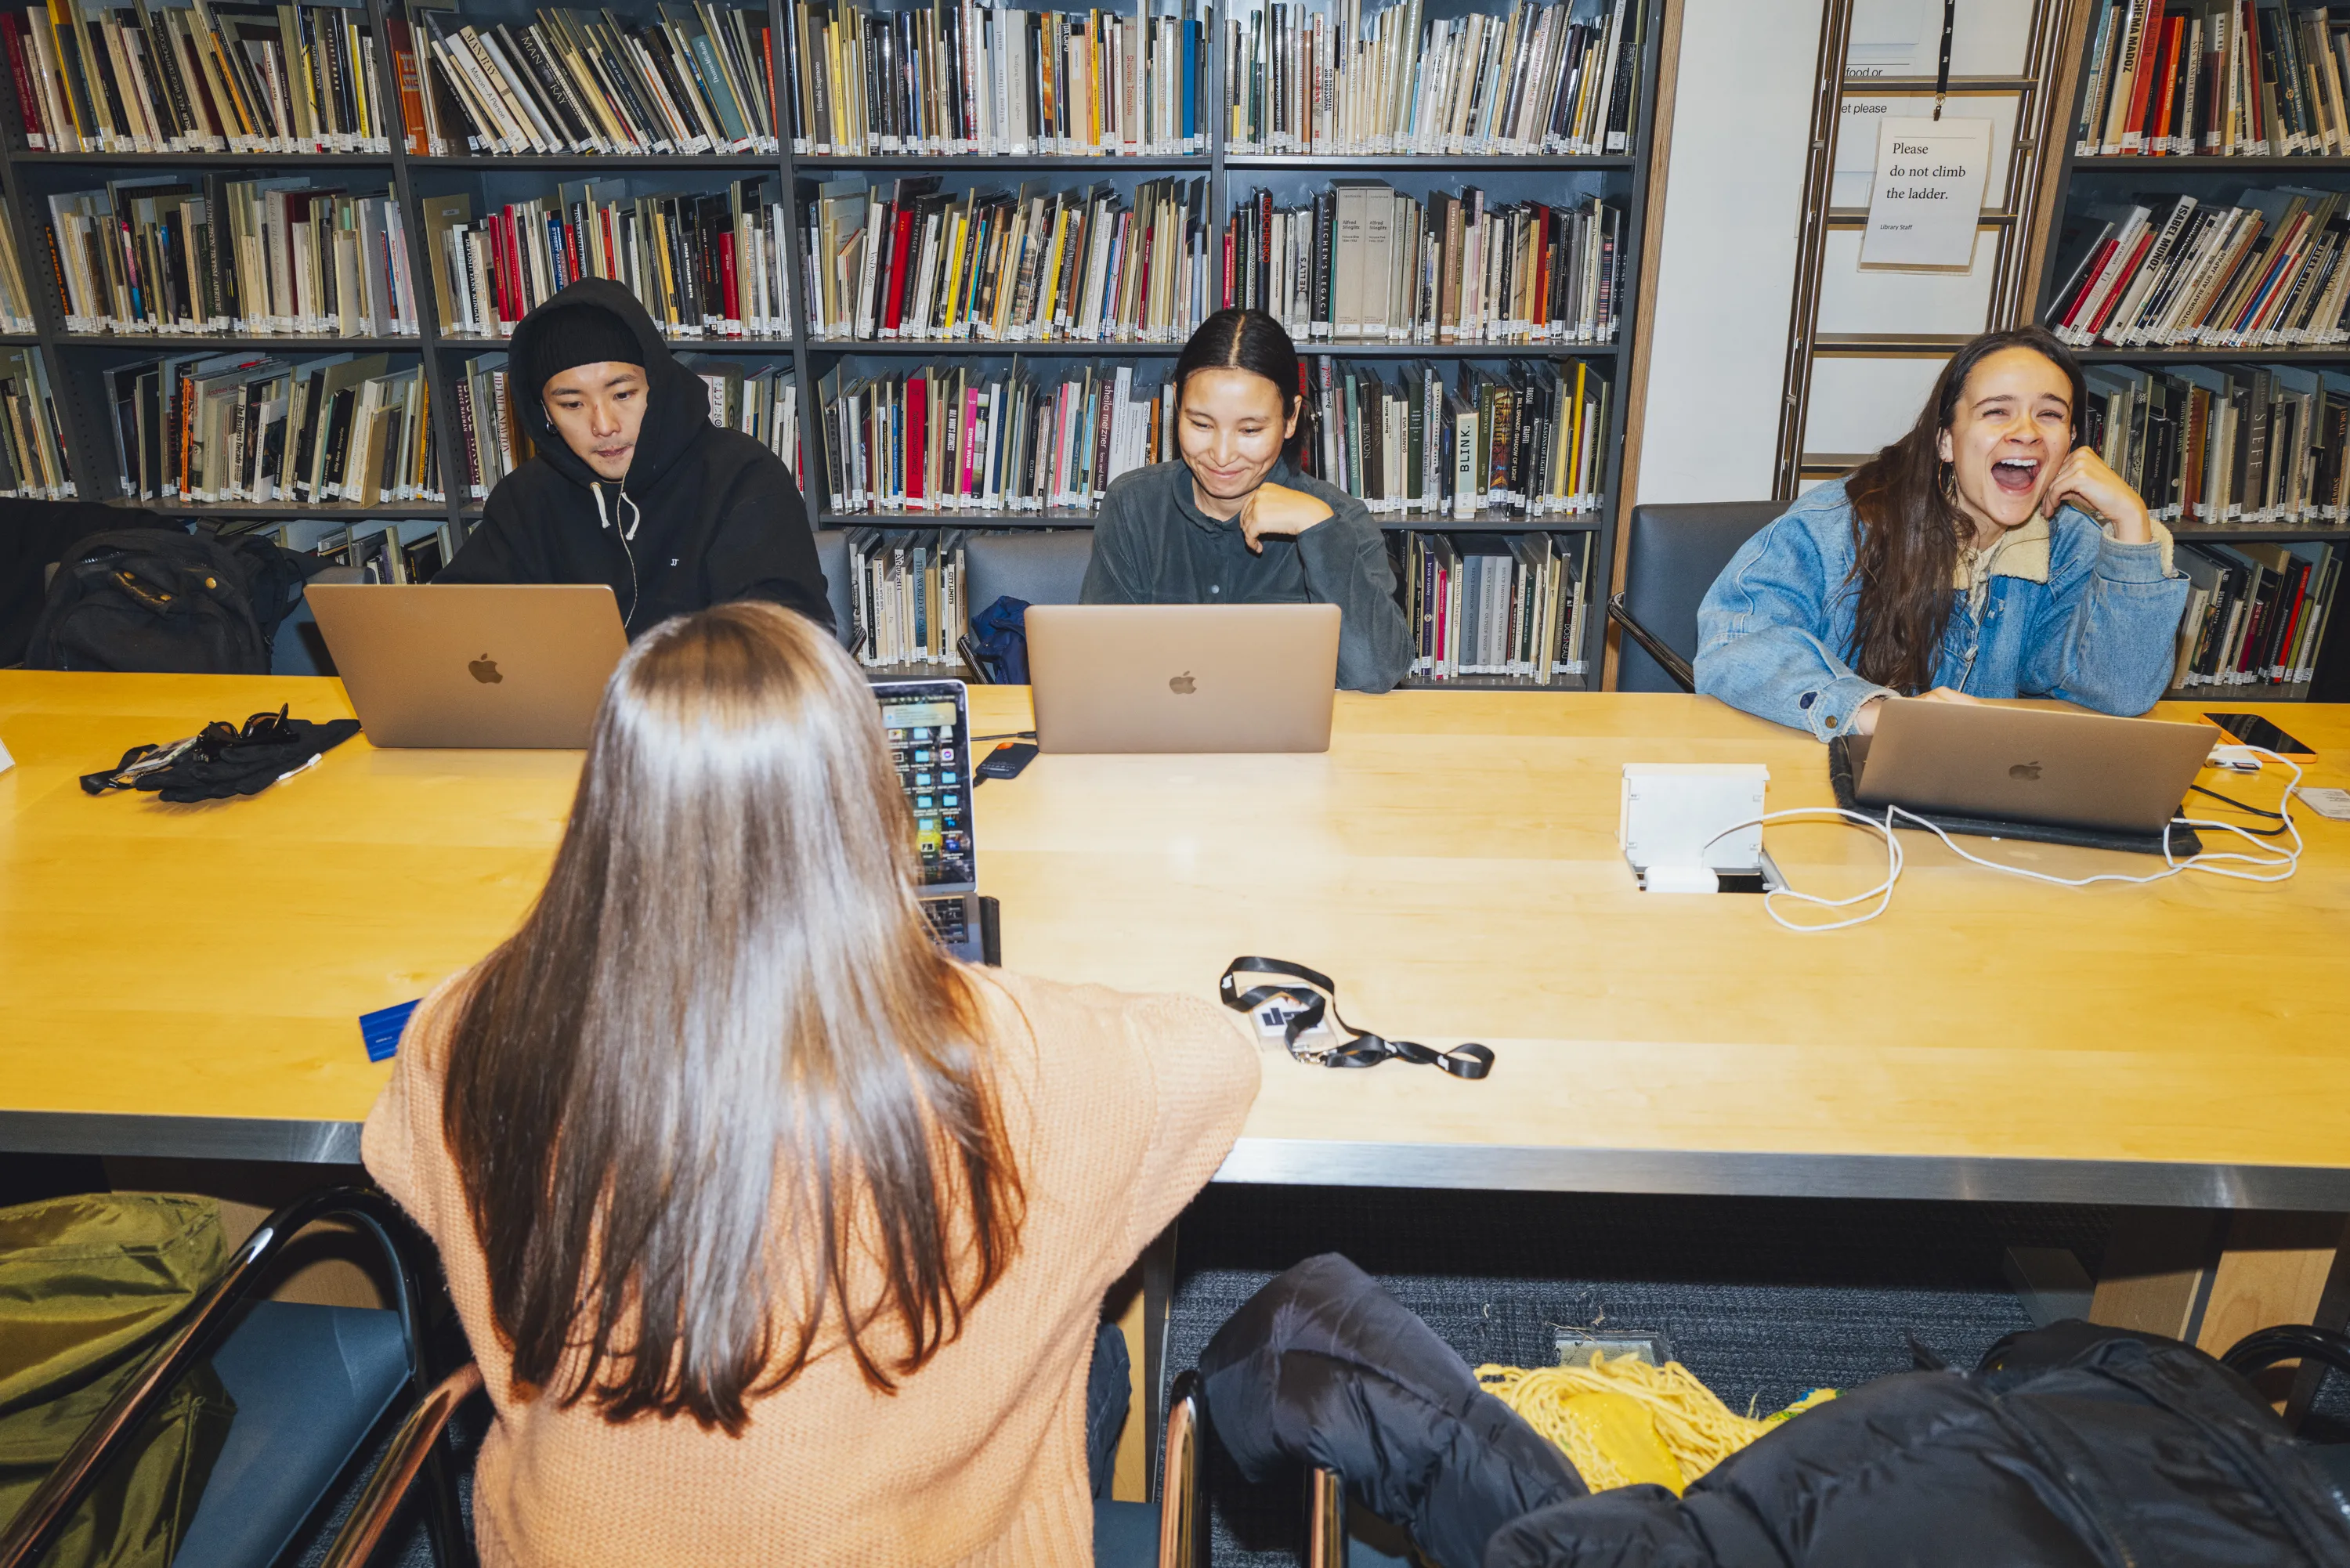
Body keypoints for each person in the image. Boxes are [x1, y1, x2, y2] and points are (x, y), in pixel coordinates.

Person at [361, 602, 1260, 1567]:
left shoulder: (465, 1029)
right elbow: (1219, 1056)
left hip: (568, 1542)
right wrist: (975, 992)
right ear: (869, 808)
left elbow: (404, 1158)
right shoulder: (1009, 1060)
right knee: (1102, 1362)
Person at [1694, 325, 2189, 741]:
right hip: (1826, 781)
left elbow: (2120, 691)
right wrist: (1876, 712)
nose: (2027, 431)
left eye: (2051, 414)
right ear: (1946, 442)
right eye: (1997, 411)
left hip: (1977, 798)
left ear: (2071, 445)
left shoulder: (2072, 545)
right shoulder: (1843, 523)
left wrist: (2131, 525)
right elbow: (1734, 644)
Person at [436, 278, 833, 638]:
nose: (604, 425)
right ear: (545, 414)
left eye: (623, 395)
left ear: (656, 387)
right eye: (572, 404)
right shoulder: (525, 498)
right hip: (564, 715)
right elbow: (450, 621)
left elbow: (785, 639)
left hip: (704, 712)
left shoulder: (741, 476)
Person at [1081, 308, 1415, 693]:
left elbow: (1376, 673)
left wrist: (1319, 530)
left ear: (1291, 418)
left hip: (1290, 749)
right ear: (1177, 404)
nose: (1222, 455)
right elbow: (1097, 663)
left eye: (1250, 429)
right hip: (1159, 739)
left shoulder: (1341, 518)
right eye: (1201, 424)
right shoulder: (1133, 505)